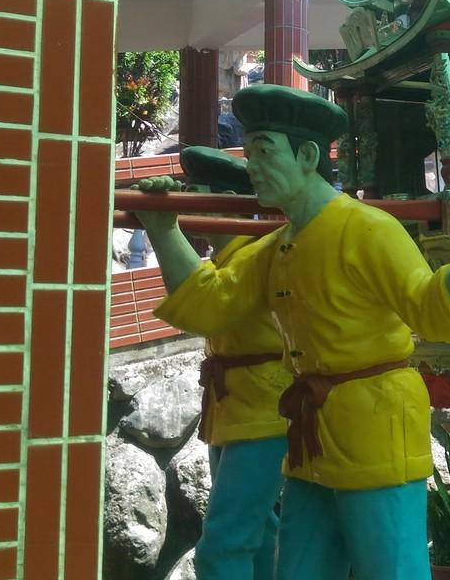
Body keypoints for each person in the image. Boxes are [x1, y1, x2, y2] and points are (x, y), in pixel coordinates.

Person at [134, 84, 450, 580]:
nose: (252, 168)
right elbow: (209, 306)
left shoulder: (368, 228)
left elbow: (429, 310)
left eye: (264, 152)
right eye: (250, 154)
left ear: (307, 156)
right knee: (300, 570)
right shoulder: (275, 248)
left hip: (375, 430)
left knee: (391, 570)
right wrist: (163, 230)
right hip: (311, 437)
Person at [158, 146, 292, 580]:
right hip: (237, 410)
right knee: (259, 533)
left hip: (264, 414)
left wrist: (162, 228)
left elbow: (205, 307)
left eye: (193, 191)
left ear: (223, 199)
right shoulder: (229, 257)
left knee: (224, 543)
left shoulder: (256, 254)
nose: (185, 199)